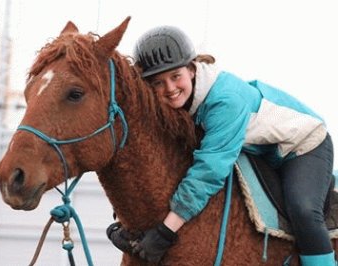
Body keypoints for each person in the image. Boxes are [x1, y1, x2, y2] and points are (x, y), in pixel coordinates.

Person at [106, 25, 336, 266]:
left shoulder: (225, 102)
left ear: (192, 69)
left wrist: (166, 231)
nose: (170, 89)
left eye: (175, 77)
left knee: (303, 210)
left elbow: (210, 170)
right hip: (262, 148)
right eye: (158, 83)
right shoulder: (178, 102)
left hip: (304, 145)